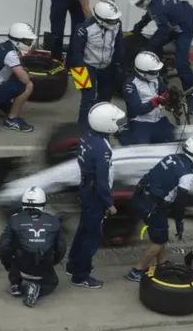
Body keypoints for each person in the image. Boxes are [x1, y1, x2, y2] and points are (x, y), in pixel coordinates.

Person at [126, 137, 193, 282]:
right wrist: (179, 222)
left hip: (142, 198)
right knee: (158, 241)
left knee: (161, 236)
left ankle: (161, 264)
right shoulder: (187, 175)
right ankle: (137, 270)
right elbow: (180, 201)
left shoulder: (171, 158)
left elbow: (150, 175)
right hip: (154, 207)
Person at [66, 102, 125, 289]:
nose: (119, 123)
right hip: (95, 196)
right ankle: (80, 275)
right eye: (116, 121)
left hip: (85, 188)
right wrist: (109, 203)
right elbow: (102, 181)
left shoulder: (87, 136)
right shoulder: (103, 149)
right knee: (91, 238)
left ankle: (72, 263)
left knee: (83, 229)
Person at [127, 0, 193, 115]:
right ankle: (160, 74)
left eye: (139, 3)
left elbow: (163, 30)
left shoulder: (159, 8)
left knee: (182, 64)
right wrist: (139, 26)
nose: (139, 6)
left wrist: (151, 44)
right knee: (153, 46)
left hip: (184, 28)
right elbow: (150, 13)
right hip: (174, 21)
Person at [0, 186, 66, 307]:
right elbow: (61, 248)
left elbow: (3, 248)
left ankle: (15, 283)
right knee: (53, 282)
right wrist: (53, 262)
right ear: (43, 204)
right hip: (44, 269)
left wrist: (8, 265)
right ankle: (36, 289)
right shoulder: (54, 221)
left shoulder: (14, 220)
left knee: (13, 247)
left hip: (21, 267)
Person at [70, 0, 123, 126]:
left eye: (115, 19)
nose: (114, 22)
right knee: (87, 99)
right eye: (111, 20)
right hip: (84, 66)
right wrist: (81, 77)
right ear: (100, 19)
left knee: (105, 100)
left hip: (108, 66)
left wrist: (118, 66)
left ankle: (100, 125)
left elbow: (119, 46)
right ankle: (82, 128)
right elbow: (75, 53)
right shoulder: (83, 28)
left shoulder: (117, 24)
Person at [0, 22, 36, 132]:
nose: (31, 44)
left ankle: (1, 103)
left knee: (13, 76)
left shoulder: (3, 46)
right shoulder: (11, 54)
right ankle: (12, 120)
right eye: (28, 41)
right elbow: (25, 79)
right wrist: (28, 74)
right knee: (28, 85)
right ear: (19, 41)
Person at [49, 0, 115, 62]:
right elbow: (85, 6)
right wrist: (94, 26)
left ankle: (71, 62)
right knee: (58, 28)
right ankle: (56, 60)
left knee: (79, 28)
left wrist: (113, 14)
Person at [118, 51, 174, 145]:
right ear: (143, 72)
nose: (157, 73)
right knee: (142, 148)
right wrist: (156, 101)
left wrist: (170, 96)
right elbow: (136, 109)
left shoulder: (156, 78)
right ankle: (124, 131)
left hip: (158, 119)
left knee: (172, 142)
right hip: (140, 121)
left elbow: (164, 92)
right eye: (154, 71)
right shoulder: (130, 84)